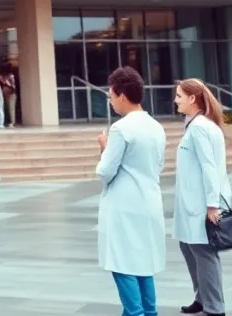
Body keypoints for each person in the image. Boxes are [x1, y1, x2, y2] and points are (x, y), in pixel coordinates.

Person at [96, 67, 166, 316]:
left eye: (111, 95)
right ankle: (149, 312)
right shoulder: (156, 126)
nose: (110, 100)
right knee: (143, 265)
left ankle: (135, 313)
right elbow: (159, 165)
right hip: (149, 201)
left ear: (122, 95)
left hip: (124, 205)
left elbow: (105, 171)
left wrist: (104, 148)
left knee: (123, 264)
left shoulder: (120, 129)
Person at [174, 78, 232, 316]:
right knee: (188, 246)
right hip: (192, 202)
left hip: (202, 204)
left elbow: (209, 167)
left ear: (192, 98)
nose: (175, 100)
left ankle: (214, 307)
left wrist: (212, 205)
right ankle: (202, 297)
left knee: (204, 252)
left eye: (179, 95)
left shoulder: (199, 128)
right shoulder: (196, 124)